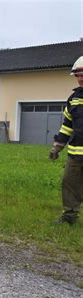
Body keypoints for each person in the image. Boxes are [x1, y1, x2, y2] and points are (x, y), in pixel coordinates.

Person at [49, 56, 83, 225]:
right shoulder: (73, 99)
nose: (80, 78)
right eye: (78, 75)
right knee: (69, 184)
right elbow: (67, 126)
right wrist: (57, 146)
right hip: (75, 154)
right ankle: (69, 217)